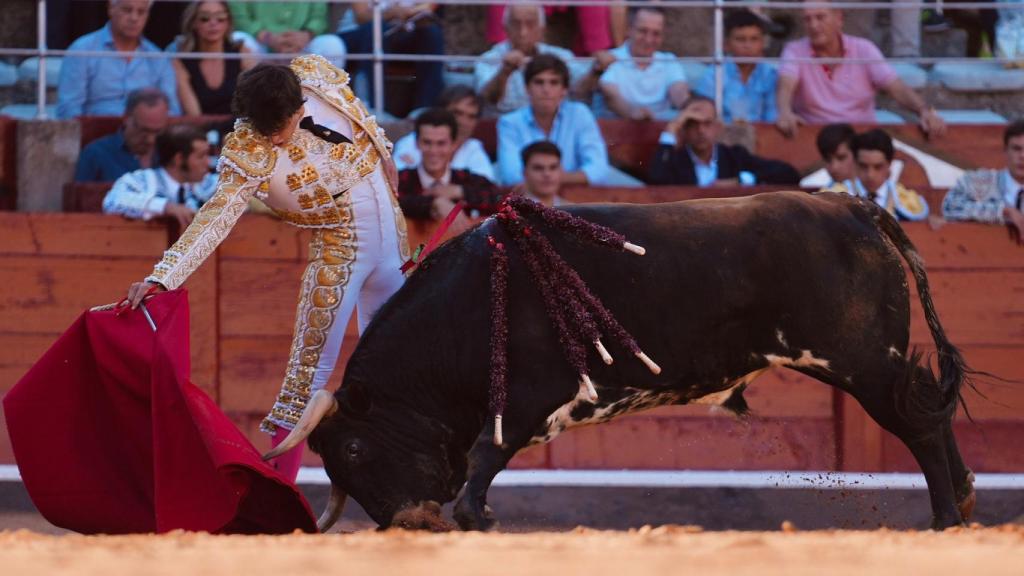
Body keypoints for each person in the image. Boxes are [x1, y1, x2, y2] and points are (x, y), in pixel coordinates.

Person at [123, 56, 409, 482]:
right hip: (340, 249)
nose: (274, 139)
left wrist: (385, 152)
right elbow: (215, 217)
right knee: (305, 377)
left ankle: (406, 484)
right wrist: (163, 276)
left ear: (299, 108)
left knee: (403, 369)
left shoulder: (316, 74)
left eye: (281, 126)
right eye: (263, 128)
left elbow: (359, 110)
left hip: (395, 234)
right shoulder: (245, 151)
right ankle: (279, 491)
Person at [775, 1, 945, 138]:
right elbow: (786, 84)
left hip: (861, 138)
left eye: (820, 17)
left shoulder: (864, 49)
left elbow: (896, 87)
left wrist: (924, 111)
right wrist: (784, 111)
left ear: (839, 19)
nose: (813, 25)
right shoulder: (794, 50)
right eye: (807, 19)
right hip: (815, 137)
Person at [496, 55, 613, 187]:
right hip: (528, 201)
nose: (546, 90)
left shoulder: (580, 114)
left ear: (564, 90)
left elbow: (599, 171)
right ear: (527, 88)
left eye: (554, 82)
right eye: (539, 82)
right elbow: (511, 176)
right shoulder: (509, 122)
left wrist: (552, 179)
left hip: (575, 198)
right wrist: (557, 179)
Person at [57, 0, 181, 119]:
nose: (134, 18)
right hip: (95, 133)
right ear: (111, 8)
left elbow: (172, 110)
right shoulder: (82, 50)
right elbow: (69, 109)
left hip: (145, 133)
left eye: (141, 12)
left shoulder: (158, 58)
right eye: (127, 10)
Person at [649, 96, 799, 187]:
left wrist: (739, 181)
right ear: (684, 129)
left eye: (707, 123)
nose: (701, 131)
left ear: (717, 127)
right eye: (693, 125)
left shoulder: (734, 156)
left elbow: (789, 173)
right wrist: (671, 129)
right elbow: (656, 182)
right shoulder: (676, 160)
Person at [475, 5, 593, 114]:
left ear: (542, 29)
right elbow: (487, 99)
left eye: (530, 24)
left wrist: (597, 71)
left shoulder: (561, 56)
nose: (523, 32)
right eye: (516, 24)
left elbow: (580, 91)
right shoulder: (490, 59)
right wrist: (504, 72)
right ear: (505, 28)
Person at [396, 108, 503, 222]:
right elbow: (393, 202)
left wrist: (460, 191)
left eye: (441, 143)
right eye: (427, 142)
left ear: (453, 145)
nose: (434, 150)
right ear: (417, 144)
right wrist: (433, 203)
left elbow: (499, 200)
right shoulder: (401, 180)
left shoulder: (466, 179)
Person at [103, 124, 217, 227]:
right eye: (201, 156)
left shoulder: (209, 183)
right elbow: (112, 201)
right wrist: (165, 207)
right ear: (179, 159)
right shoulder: (142, 181)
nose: (208, 162)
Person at [339, 1, 445, 111]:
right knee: (375, 30)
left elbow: (427, 8)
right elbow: (361, 17)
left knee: (431, 33)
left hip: (398, 34)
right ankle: (373, 108)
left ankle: (424, 110)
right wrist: (392, 13)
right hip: (356, 37)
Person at [599, 7, 689, 121]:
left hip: (660, 130)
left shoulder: (669, 61)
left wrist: (690, 107)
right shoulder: (610, 59)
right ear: (629, 29)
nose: (648, 40)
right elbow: (611, 97)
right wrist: (633, 113)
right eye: (643, 31)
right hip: (619, 130)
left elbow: (679, 92)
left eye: (656, 34)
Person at [942, 120, 1024, 242]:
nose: (1022, 156)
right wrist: (1002, 211)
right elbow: (949, 207)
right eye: (1017, 149)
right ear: (1006, 151)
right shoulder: (979, 182)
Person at [822, 128, 929, 221]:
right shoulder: (835, 195)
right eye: (863, 166)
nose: (870, 175)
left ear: (889, 164)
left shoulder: (905, 200)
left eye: (878, 167)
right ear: (855, 163)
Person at [171, 1, 257, 116]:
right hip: (201, 130)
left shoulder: (241, 52)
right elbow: (195, 116)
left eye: (220, 18)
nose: (213, 23)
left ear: (228, 22)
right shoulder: (181, 61)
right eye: (205, 18)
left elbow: (254, 101)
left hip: (240, 128)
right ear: (193, 23)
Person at [392, 85, 496, 180]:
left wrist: (457, 190)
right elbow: (396, 181)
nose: (463, 122)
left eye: (471, 117)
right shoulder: (409, 143)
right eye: (457, 113)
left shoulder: (473, 146)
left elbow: (487, 184)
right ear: (441, 111)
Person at [695, 9, 777, 123]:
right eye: (740, 39)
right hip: (722, 137)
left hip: (761, 137)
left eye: (754, 39)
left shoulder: (770, 75)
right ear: (726, 45)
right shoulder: (715, 74)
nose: (748, 46)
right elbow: (704, 116)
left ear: (762, 43)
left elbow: (772, 117)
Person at [74, 88, 171, 182]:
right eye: (143, 130)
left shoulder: (171, 153)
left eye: (157, 131)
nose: (151, 140)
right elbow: (80, 196)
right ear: (126, 117)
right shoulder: (96, 154)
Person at [229, 2, 346, 67]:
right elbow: (240, 17)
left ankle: (327, 103)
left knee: (332, 44)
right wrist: (268, 38)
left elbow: (319, 17)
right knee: (237, 38)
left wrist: (305, 35)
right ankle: (246, 100)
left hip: (303, 44)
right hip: (262, 45)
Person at [518, 141, 567, 208]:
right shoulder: (512, 213)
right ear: (525, 173)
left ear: (561, 171)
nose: (547, 174)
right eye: (538, 168)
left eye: (553, 167)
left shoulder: (576, 211)